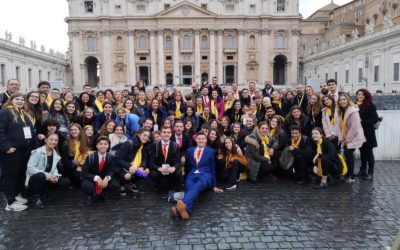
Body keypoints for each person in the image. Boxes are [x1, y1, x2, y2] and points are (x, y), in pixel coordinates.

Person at [170, 133, 223, 220]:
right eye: (199, 138)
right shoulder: (190, 150)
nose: (201, 140)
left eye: (203, 139)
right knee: (189, 188)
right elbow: (189, 166)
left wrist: (213, 185)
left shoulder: (210, 151)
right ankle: (186, 211)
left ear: (206, 140)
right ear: (196, 140)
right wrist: (187, 177)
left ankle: (180, 205)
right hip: (192, 173)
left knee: (197, 186)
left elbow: (212, 167)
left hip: (205, 174)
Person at [0, 93, 36, 211]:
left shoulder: (22, 113)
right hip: (11, 151)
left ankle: (15, 195)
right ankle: (10, 202)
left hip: (23, 150)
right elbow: (1, 131)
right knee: (10, 176)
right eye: (17, 99)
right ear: (11, 100)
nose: (20, 101)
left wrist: (31, 147)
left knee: (20, 174)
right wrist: (7, 147)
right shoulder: (5, 112)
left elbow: (30, 131)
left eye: (22, 99)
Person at [25, 133, 70, 208]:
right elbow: (30, 168)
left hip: (47, 178)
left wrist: (55, 176)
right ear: (46, 140)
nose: (53, 142)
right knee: (41, 176)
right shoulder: (38, 152)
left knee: (65, 182)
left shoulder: (55, 154)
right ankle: (36, 197)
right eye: (51, 139)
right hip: (34, 180)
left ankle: (45, 190)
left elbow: (54, 168)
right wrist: (48, 176)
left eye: (56, 140)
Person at [335, 93, 366, 183]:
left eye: (344, 99)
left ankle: (351, 176)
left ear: (348, 100)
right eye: (340, 100)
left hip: (354, 136)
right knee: (346, 155)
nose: (342, 101)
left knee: (348, 154)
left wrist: (347, 139)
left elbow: (355, 127)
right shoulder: (340, 111)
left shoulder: (353, 111)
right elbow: (338, 126)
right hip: (345, 137)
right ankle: (347, 173)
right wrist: (341, 139)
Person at [81, 136, 119, 205]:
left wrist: (107, 178)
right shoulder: (90, 157)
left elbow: (112, 170)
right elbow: (84, 172)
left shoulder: (111, 157)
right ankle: (90, 195)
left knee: (115, 184)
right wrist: (96, 178)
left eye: (105, 144)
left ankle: (105, 193)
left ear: (108, 146)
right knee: (86, 185)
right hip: (92, 179)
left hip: (104, 178)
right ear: (97, 146)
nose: (103, 146)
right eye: (101, 144)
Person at [115, 129, 151, 194]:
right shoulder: (129, 143)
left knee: (146, 172)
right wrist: (129, 166)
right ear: (139, 134)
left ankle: (133, 182)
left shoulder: (145, 146)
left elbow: (144, 159)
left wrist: (142, 167)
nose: (146, 138)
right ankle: (122, 184)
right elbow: (118, 159)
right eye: (144, 135)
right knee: (127, 176)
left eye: (148, 136)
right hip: (123, 166)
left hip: (135, 167)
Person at [355, 89, 379, 181]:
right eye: (358, 94)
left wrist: (361, 122)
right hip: (358, 133)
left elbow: (375, 119)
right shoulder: (355, 105)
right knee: (362, 152)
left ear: (366, 96)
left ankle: (370, 172)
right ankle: (363, 170)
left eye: (362, 94)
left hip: (368, 132)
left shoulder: (370, 106)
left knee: (369, 153)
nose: (360, 96)